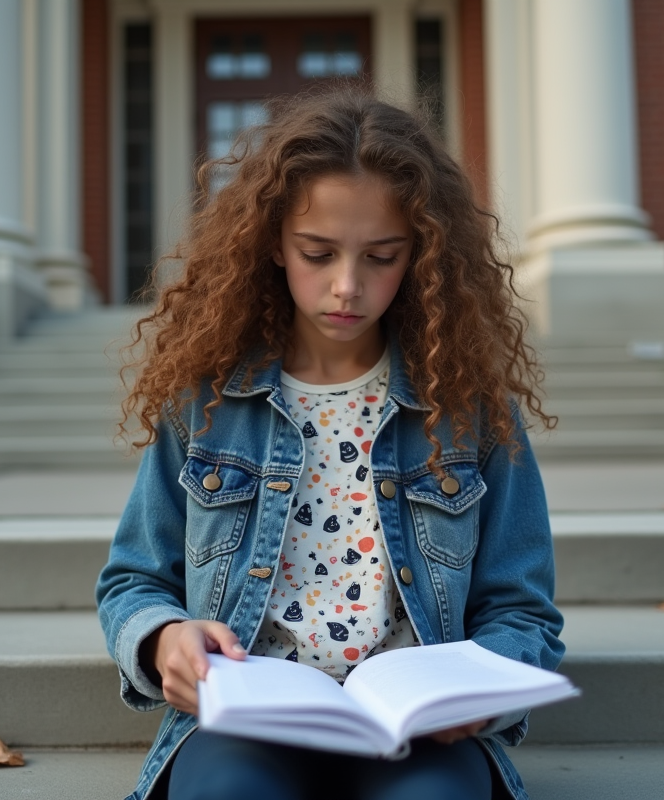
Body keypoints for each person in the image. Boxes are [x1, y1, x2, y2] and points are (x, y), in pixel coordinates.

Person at [96, 86, 564, 800]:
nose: (348, 285)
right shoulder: (207, 402)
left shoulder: (470, 410)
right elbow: (133, 581)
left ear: (422, 255)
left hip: (416, 735)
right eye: (319, 252)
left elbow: (522, 610)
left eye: (382, 256)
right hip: (248, 723)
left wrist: (484, 692)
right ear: (273, 245)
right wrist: (164, 641)